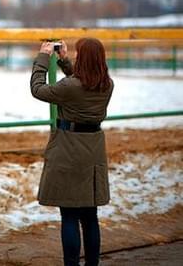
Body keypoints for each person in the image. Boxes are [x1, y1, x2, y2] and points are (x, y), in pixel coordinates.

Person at [30, 38, 114, 266]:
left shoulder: (70, 87)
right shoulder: (107, 84)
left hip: (68, 149)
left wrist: (43, 59)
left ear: (83, 58)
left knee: (69, 215)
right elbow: (80, 83)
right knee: (90, 216)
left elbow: (38, 90)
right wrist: (64, 61)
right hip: (93, 150)